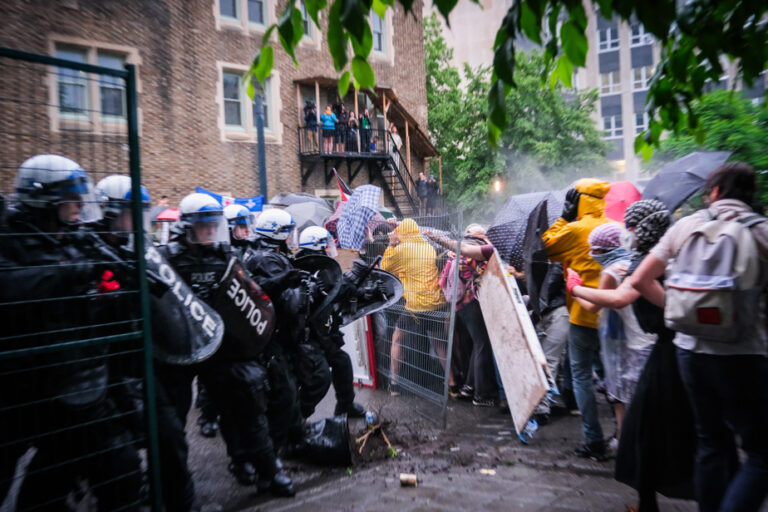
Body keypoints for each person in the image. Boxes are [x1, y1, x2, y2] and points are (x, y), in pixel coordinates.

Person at [0, 155, 143, 510]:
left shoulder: (76, 238)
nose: (80, 206)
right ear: (44, 201)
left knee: (118, 470)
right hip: (20, 387)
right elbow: (9, 286)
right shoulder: (10, 237)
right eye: (71, 200)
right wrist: (70, 273)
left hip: (79, 381)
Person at [627, 163, 768, 512]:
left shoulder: (687, 226)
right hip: (746, 352)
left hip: (689, 351)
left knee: (711, 442)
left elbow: (641, 281)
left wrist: (677, 310)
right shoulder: (762, 231)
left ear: (716, 192)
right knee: (761, 451)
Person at [159, 194, 294, 496]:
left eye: (212, 225)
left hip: (221, 344)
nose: (208, 230)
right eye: (202, 225)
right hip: (180, 349)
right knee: (170, 422)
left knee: (245, 402)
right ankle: (174, 487)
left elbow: (249, 294)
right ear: (187, 226)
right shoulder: (167, 258)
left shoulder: (226, 256)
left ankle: (262, 468)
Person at [570, 199, 695, 511]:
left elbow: (618, 298)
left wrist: (575, 288)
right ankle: (648, 500)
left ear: (645, 229)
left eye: (632, 227)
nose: (628, 232)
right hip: (666, 349)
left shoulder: (650, 263)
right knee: (647, 428)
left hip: (669, 351)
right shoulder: (656, 258)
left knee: (653, 429)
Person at [542, 178, 612, 461]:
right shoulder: (614, 227)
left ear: (578, 199)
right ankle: (624, 431)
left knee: (582, 376)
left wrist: (564, 217)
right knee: (613, 377)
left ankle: (594, 439)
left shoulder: (574, 228)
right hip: (615, 317)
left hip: (583, 315)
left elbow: (549, 246)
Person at [569, 222, 653, 449]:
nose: (592, 254)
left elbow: (593, 306)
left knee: (622, 396)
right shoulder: (638, 261)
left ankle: (627, 445)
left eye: (595, 250)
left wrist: (574, 287)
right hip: (645, 336)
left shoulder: (610, 272)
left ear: (605, 249)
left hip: (627, 342)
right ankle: (629, 441)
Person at [295, 226, 367, 418]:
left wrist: (360, 292)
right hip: (307, 335)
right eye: (326, 245)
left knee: (342, 362)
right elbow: (329, 292)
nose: (330, 248)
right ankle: (296, 419)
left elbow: (337, 290)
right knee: (317, 379)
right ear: (316, 246)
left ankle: (345, 405)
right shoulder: (306, 268)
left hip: (323, 331)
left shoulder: (322, 266)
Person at [426, 224, 498, 406]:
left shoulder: (456, 252)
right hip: (471, 303)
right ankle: (483, 395)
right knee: (482, 345)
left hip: (458, 305)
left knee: (476, 345)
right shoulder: (480, 248)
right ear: (480, 234)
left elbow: (443, 279)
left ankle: (469, 387)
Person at [382, 219, 448, 393]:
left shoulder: (402, 249)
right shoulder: (427, 247)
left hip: (416, 305)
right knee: (440, 344)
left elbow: (385, 267)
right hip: (435, 302)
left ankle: (394, 383)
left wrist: (391, 244)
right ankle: (452, 384)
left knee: (397, 339)